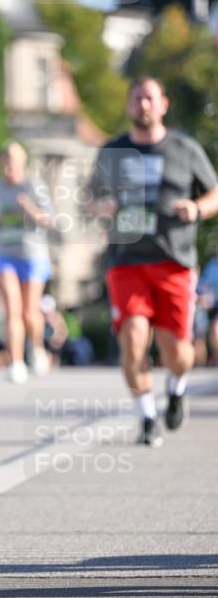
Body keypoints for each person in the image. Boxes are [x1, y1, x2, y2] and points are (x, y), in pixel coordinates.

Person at [88, 76, 218, 447]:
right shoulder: (113, 150)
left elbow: (214, 193)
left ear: (163, 104)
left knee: (177, 352)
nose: (143, 105)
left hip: (174, 260)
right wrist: (102, 207)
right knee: (132, 340)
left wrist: (197, 208)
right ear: (129, 105)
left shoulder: (184, 148)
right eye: (136, 98)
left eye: (149, 98)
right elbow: (90, 199)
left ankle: (176, 387)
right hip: (126, 261)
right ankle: (147, 416)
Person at [0, 141, 53, 383]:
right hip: (4, 254)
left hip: (32, 254)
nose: (8, 165)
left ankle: (37, 347)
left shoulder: (33, 186)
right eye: (5, 160)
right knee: (12, 309)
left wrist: (28, 207)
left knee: (30, 311)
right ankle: (16, 362)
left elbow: (48, 220)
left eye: (13, 160)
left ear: (22, 162)